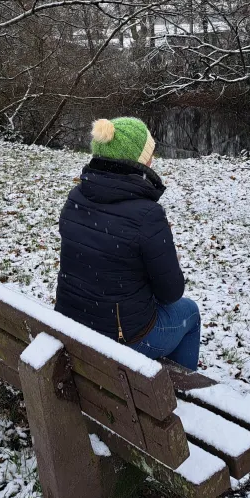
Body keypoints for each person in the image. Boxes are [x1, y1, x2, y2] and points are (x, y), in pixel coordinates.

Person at [54, 116, 201, 370]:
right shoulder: (147, 214)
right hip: (122, 339)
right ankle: (182, 387)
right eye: (149, 154)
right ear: (138, 160)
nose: (152, 160)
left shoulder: (76, 197)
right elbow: (171, 294)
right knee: (190, 313)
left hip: (72, 325)